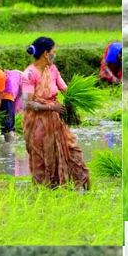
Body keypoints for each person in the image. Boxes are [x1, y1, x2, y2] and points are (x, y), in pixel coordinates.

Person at [21, 37, 90, 190]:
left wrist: (74, 106)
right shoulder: (29, 74)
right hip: (37, 124)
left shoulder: (52, 70)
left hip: (56, 121)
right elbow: (26, 103)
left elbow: (66, 91)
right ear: (46, 53)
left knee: (73, 152)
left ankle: (82, 186)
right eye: (54, 51)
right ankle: (45, 192)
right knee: (42, 158)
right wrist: (52, 107)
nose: (55, 54)